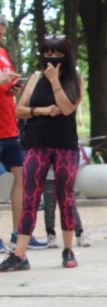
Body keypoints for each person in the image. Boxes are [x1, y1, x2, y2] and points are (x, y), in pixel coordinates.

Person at [1, 35, 83, 272]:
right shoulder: (36, 78)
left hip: (65, 146)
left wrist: (55, 82)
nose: (52, 57)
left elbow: (67, 107)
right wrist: (43, 110)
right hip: (37, 145)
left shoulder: (74, 79)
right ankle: (19, 254)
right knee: (30, 197)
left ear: (66, 55)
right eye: (48, 52)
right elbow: (20, 110)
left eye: (57, 53)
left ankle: (68, 250)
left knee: (64, 197)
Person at [0, 16, 47, 254]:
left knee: (22, 176)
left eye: (2, 33)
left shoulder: (3, 52)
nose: (1, 37)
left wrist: (12, 86)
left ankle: (20, 233)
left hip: (9, 126)